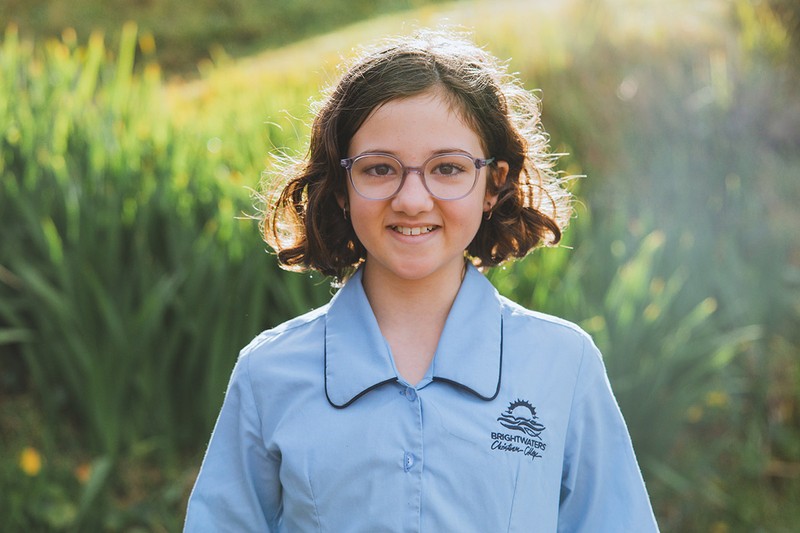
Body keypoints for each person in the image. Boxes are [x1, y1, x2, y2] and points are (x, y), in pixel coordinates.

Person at [184, 29, 658, 532]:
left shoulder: (563, 364)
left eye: (448, 168)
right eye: (379, 169)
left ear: (494, 184)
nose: (412, 200)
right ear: (343, 187)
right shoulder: (268, 373)